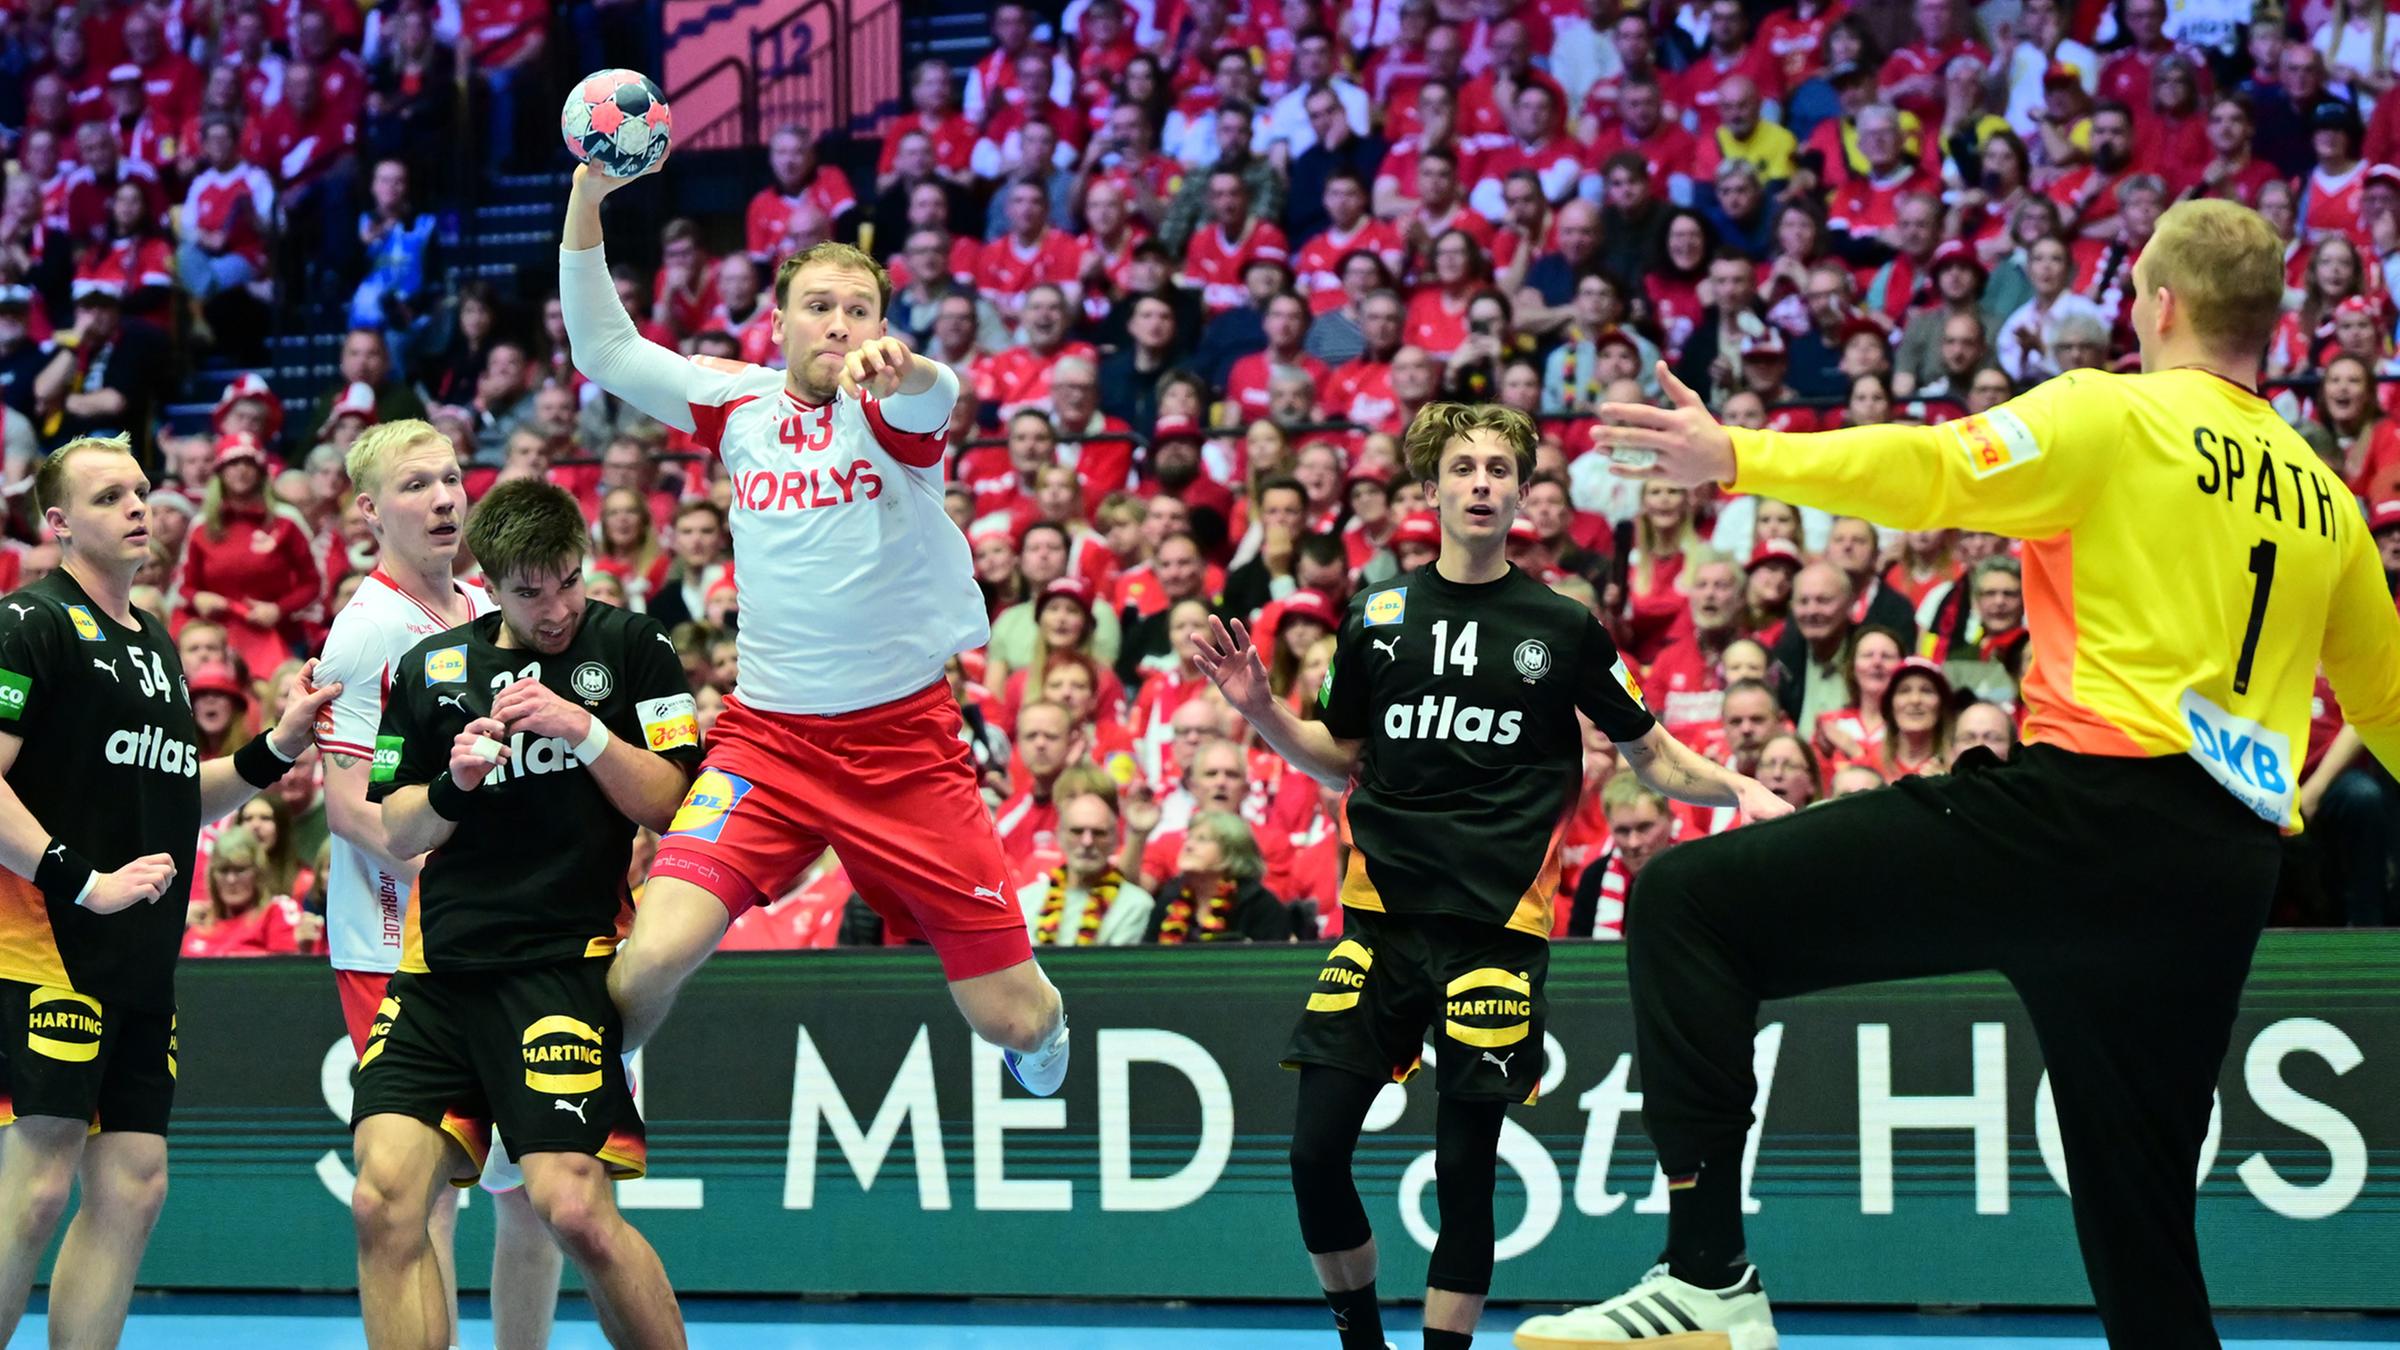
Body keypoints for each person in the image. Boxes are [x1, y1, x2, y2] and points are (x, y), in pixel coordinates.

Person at [1526, 200, 2400, 1349]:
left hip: (2083, 818)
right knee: (2140, 1217)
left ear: (2159, 305)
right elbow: (2389, 706)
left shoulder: (2114, 413)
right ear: (2270, 325)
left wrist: (1738, 453)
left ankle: (1705, 1279)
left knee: (1690, 906)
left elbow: (1932, 470)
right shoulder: (2328, 499)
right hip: (2222, 870)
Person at [1191, 401, 1789, 1350]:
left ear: (1522, 495)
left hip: (1496, 934)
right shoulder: (1376, 615)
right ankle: (1362, 1343)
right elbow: (1338, 755)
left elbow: (1652, 753)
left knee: (1464, 1173)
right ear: (1430, 492)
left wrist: (1737, 788)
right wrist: (1262, 710)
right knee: (1312, 1155)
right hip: (1380, 924)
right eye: (1463, 468)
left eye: (1499, 469)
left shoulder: (1564, 627)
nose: (1481, 483)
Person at [557, 155, 1072, 1094]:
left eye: (860, 310)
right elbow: (603, 349)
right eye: (819, 306)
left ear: (881, 328)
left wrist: (908, 369)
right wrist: (587, 198)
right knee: (645, 961)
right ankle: (593, 1094)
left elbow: (938, 396)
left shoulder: (893, 412)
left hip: (903, 750)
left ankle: (1043, 1031)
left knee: (1015, 1018)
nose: (839, 324)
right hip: (768, 745)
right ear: (779, 321)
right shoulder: (737, 405)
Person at [0, 434, 337, 1346]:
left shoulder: (152, 638)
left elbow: (179, 786)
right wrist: (85, 881)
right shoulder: (28, 623)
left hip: (140, 958)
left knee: (136, 1184)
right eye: (109, 497)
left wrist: (279, 746)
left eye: (141, 491)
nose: (137, 507)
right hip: (47, 944)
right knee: (36, 1188)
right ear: (59, 522)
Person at [352, 479, 699, 1349]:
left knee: (573, 1208)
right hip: (438, 975)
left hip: (562, 966)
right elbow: (398, 828)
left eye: (570, 581)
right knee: (383, 1200)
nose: (557, 609)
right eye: (531, 593)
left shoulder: (635, 645)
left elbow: (672, 803)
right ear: (489, 585)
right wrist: (456, 782)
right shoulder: (432, 669)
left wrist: (583, 731)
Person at [308, 419, 563, 1348]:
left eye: (452, 478)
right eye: (417, 485)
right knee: (424, 1192)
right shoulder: (366, 631)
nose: (446, 498)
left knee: (534, 1187)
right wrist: (464, 880)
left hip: (511, 935)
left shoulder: (489, 605)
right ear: (370, 511)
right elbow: (350, 810)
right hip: (397, 942)